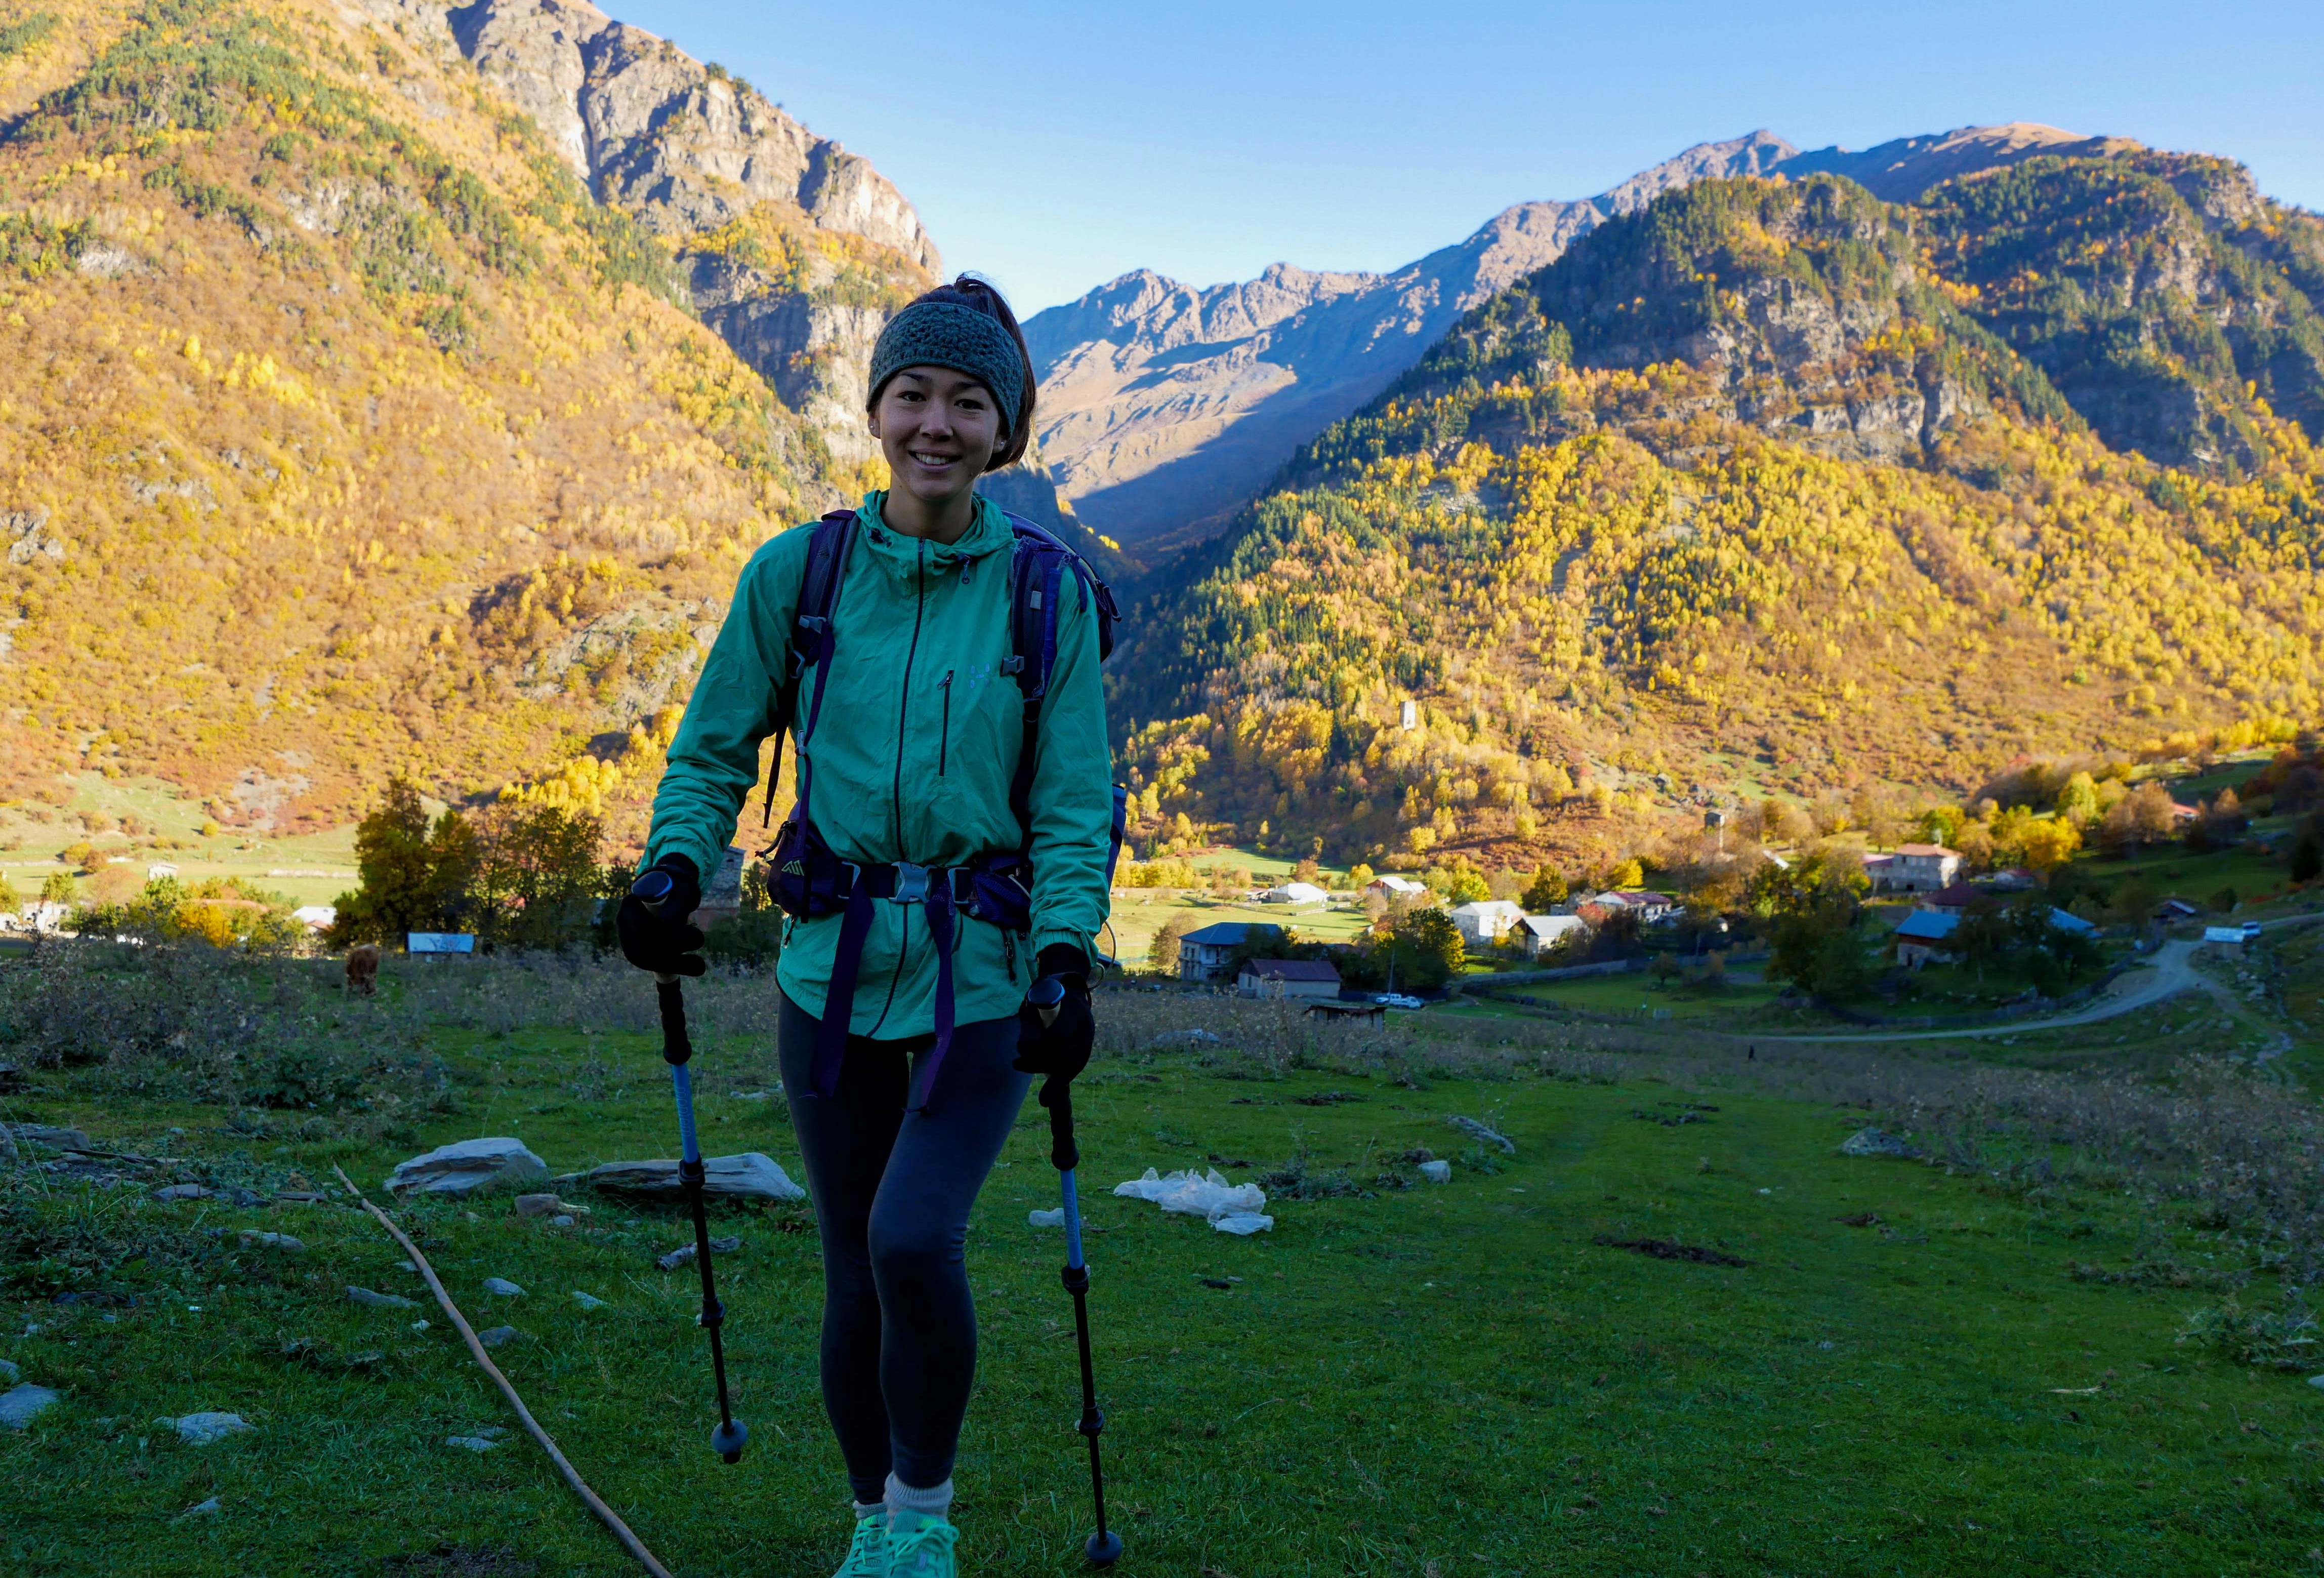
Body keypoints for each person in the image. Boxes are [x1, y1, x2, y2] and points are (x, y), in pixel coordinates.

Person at [617, 276, 1111, 1578]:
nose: (935, 423)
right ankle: (871, 1523)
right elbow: (712, 748)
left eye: (967, 400)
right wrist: (674, 868)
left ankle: (925, 1518)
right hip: (826, 967)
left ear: (1003, 430)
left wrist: (1065, 955)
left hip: (986, 976)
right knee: (852, 1263)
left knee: (911, 1237)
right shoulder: (802, 572)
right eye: (913, 394)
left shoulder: (1047, 599)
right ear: (876, 406)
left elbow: (1072, 806)